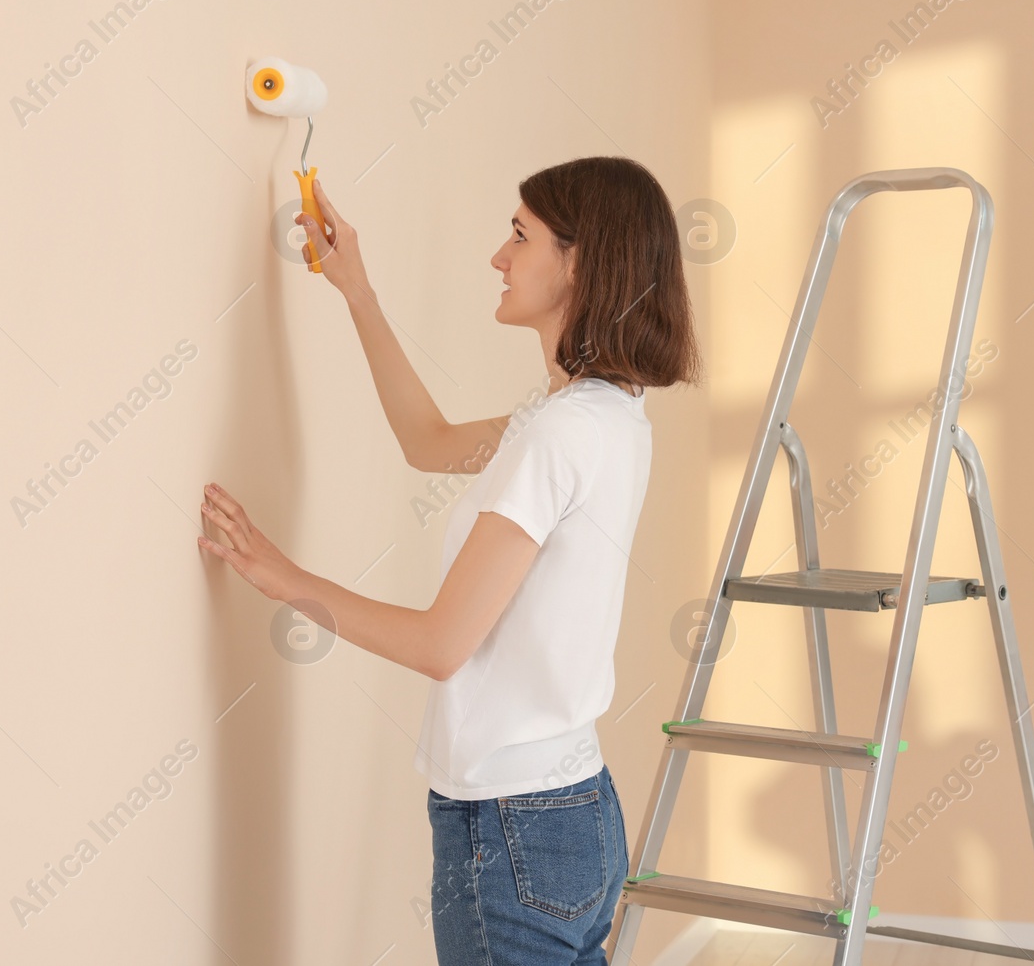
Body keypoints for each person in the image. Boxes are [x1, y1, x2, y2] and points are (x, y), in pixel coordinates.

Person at [197, 155, 702, 964]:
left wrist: (281, 577)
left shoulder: (559, 433)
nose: (499, 257)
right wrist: (356, 291)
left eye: (519, 235)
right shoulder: (603, 413)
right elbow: (428, 443)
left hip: (510, 826)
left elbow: (441, 643)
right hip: (579, 812)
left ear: (579, 261)